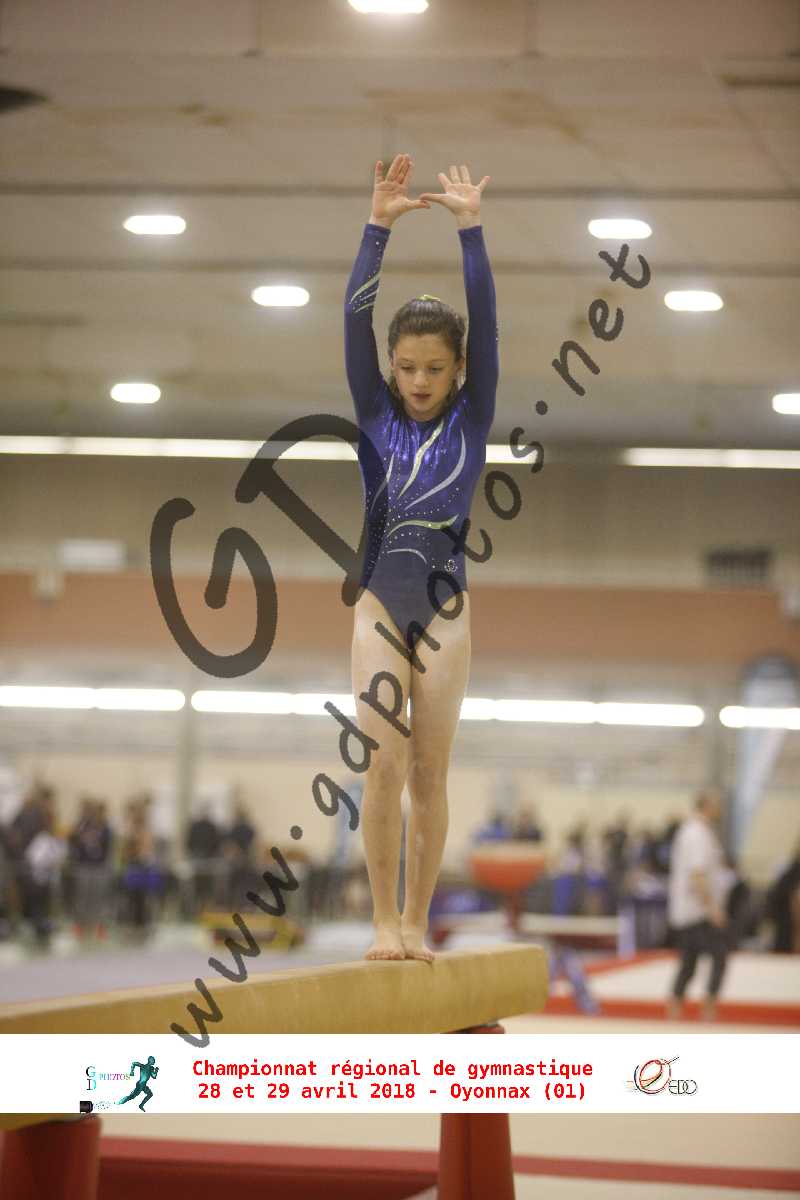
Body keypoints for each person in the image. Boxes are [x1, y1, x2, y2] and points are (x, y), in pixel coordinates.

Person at [345, 154, 496, 962]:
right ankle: (381, 921)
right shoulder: (373, 407)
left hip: (445, 610)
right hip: (378, 602)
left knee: (429, 774)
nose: (419, 380)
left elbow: (488, 321)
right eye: (406, 367)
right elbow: (354, 319)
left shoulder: (473, 416)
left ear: (460, 369)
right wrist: (377, 227)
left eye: (436, 368)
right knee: (383, 765)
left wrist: (471, 230)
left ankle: (415, 920)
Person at [666, 788, 730, 1020]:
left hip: (693, 910)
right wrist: (712, 908)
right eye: (718, 804)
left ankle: (676, 1008)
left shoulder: (696, 831)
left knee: (689, 961)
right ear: (707, 805)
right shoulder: (697, 834)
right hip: (697, 911)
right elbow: (697, 874)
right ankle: (706, 1007)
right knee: (717, 956)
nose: (721, 808)